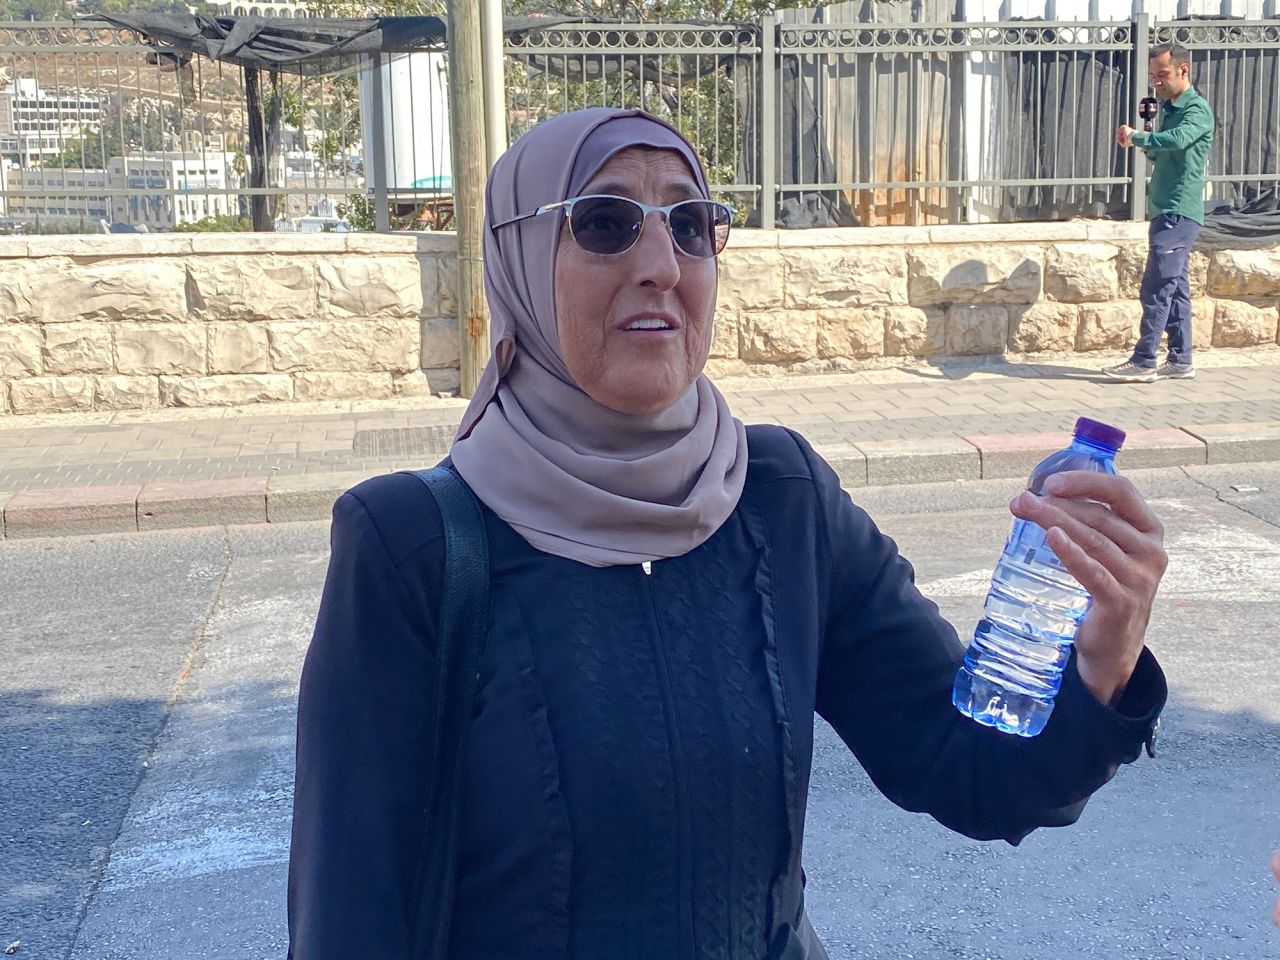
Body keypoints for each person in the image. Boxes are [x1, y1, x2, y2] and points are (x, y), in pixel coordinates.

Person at [287, 107, 1169, 960]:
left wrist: (1101, 664)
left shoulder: (780, 499)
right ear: (518, 257)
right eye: (604, 223)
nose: (661, 264)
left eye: (691, 222)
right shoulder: (411, 546)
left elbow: (975, 774)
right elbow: (350, 921)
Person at [1105, 42, 1215, 384]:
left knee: (1156, 288)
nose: (1156, 83)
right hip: (1165, 210)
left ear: (1183, 70)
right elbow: (1163, 152)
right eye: (1153, 76)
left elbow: (1178, 140)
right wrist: (1142, 140)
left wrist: (1141, 138)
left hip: (1179, 212)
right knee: (1176, 288)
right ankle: (1181, 360)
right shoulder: (1168, 109)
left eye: (1162, 75)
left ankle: (1144, 360)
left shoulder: (1196, 110)